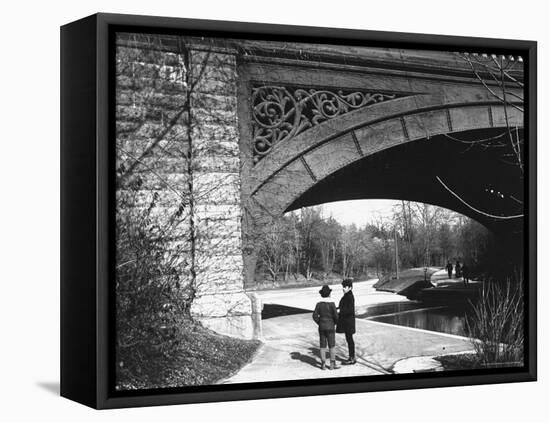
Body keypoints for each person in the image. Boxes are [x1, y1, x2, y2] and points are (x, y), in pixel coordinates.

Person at [312, 285, 340, 370]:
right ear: (329, 294)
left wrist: (319, 322)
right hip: (331, 326)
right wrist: (334, 323)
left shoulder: (318, 304)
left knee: (322, 345)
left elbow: (314, 316)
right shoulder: (332, 304)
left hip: (322, 327)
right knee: (332, 345)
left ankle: (323, 363)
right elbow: (336, 316)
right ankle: (332, 364)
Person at [336, 278, 356, 365]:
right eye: (343, 287)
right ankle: (351, 357)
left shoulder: (350, 297)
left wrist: (340, 311)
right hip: (347, 322)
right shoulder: (347, 296)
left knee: (350, 340)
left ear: (350, 288)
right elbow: (343, 307)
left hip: (349, 322)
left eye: (345, 287)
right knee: (349, 339)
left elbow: (350, 310)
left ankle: (352, 358)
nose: (343, 288)